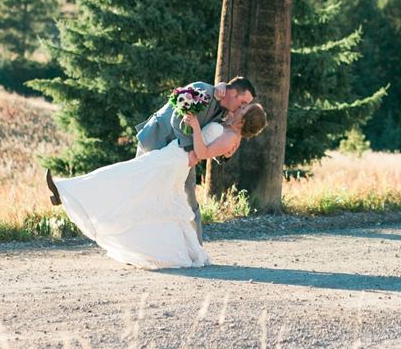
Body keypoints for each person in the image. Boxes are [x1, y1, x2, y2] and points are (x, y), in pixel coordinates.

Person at [45, 102, 267, 269]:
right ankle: (68, 191)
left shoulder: (231, 137)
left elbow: (203, 153)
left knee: (126, 175)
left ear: (245, 120)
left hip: (176, 161)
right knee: (143, 192)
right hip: (173, 156)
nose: (240, 107)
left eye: (244, 109)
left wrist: (196, 128)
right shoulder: (227, 126)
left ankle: (66, 190)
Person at [134, 76, 257, 243]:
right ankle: (136, 242)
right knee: (141, 191)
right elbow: (177, 119)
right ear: (234, 92)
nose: (243, 107)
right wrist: (191, 151)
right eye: (243, 102)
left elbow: (209, 139)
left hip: (183, 156)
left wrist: (223, 155)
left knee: (188, 198)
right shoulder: (202, 91)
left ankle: (196, 248)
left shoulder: (225, 114)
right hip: (157, 140)